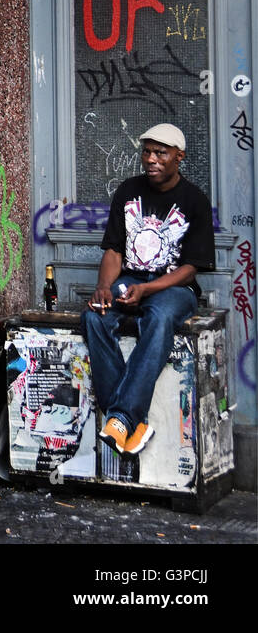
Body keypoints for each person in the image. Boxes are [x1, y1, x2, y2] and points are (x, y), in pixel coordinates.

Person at [82, 123, 214, 457]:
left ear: (179, 157)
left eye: (161, 153)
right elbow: (114, 250)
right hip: (131, 278)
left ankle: (122, 417)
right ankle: (131, 424)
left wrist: (148, 289)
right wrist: (103, 288)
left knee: (160, 316)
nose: (151, 159)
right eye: (147, 152)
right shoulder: (128, 191)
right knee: (94, 316)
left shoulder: (194, 200)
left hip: (174, 287)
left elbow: (189, 269)